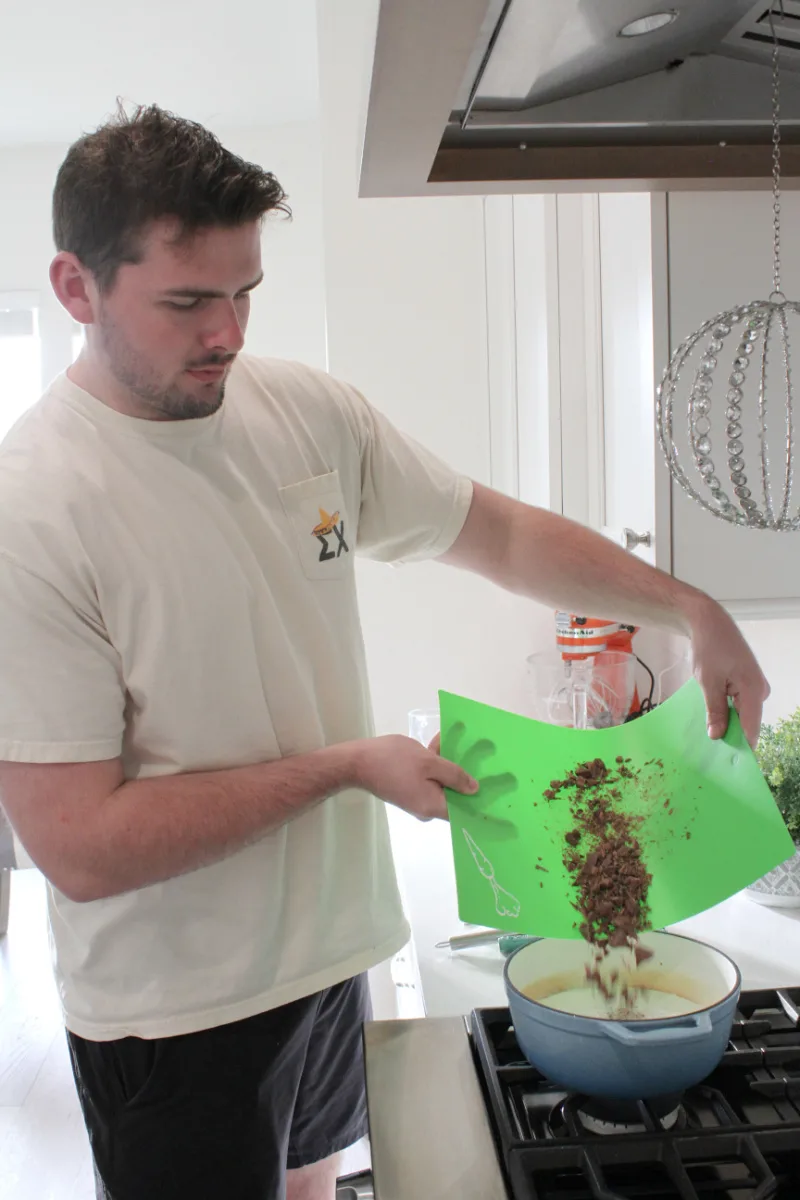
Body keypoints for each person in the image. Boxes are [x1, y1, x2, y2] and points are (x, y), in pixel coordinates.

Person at [0, 105, 768, 1200]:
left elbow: (494, 533)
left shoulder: (302, 412)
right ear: (76, 289)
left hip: (328, 955)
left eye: (243, 293)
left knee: (315, 1187)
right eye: (185, 302)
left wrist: (691, 603)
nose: (227, 332)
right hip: (176, 1012)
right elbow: (79, 846)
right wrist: (345, 767)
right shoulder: (32, 510)